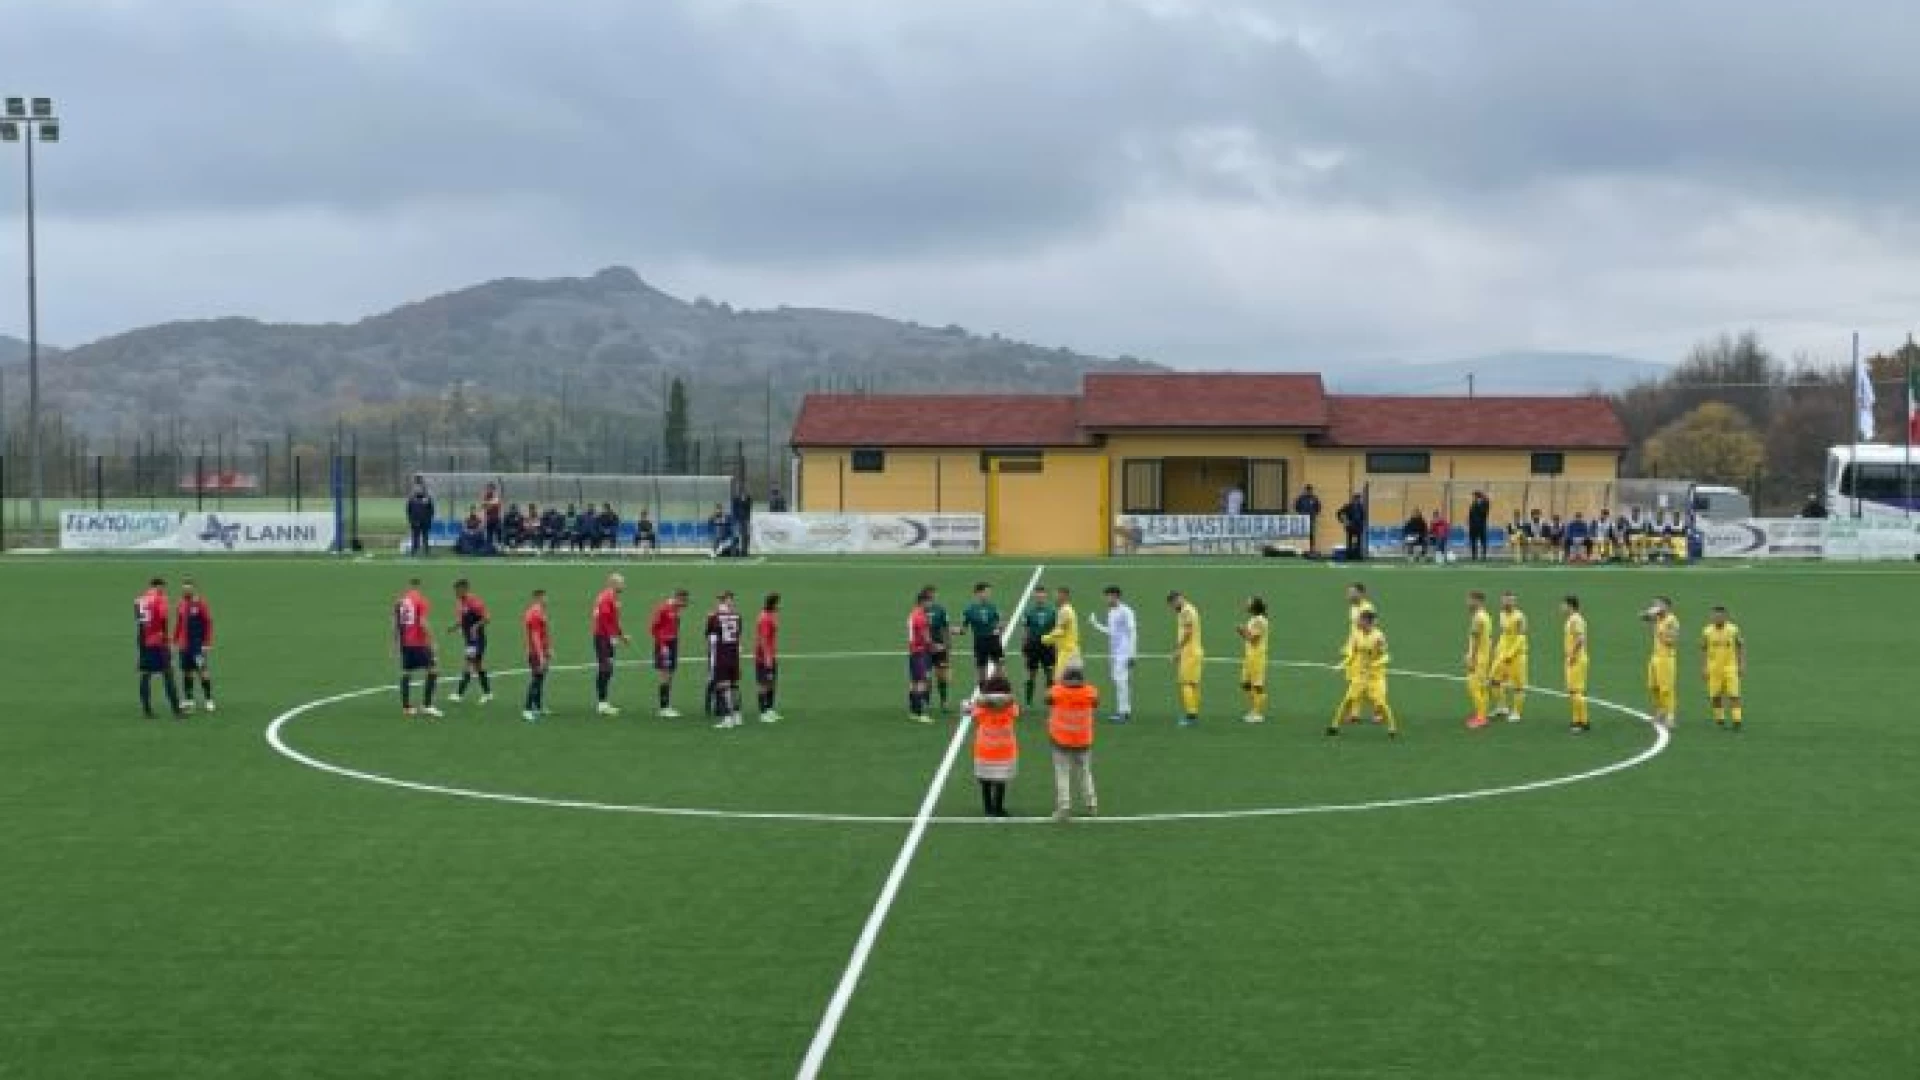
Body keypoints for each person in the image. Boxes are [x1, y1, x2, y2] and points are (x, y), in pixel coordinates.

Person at [1327, 609, 1397, 738]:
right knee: (1348, 700)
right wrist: (1341, 665)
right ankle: (1334, 726)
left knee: (1381, 703)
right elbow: (1352, 655)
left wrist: (1375, 664)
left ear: (1367, 621)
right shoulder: (1356, 634)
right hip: (1360, 675)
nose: (1358, 621)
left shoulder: (1378, 636)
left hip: (1375, 677)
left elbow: (1387, 657)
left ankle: (1392, 728)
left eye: (1360, 619)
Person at [1047, 658, 1100, 822]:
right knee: (1085, 772)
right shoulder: (1090, 691)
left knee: (1062, 773)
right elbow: (1096, 703)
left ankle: (1064, 808)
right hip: (1083, 739)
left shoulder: (1057, 691)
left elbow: (1048, 699)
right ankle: (1091, 804)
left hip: (1061, 739)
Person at [971, 673, 1020, 818]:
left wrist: (984, 700)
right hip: (1004, 749)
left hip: (984, 749)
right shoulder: (1011, 708)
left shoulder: (981, 708)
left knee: (985, 780)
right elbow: (1015, 710)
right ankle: (998, 807)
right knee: (1000, 780)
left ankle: (988, 808)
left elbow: (972, 712)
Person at [136, 577, 184, 719]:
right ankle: (176, 710)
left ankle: (146, 710)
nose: (163, 590)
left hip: (143, 640)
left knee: (145, 674)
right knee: (167, 673)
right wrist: (165, 639)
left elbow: (139, 622)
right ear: (159, 586)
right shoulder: (161, 599)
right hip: (157, 642)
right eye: (162, 587)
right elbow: (163, 620)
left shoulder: (139, 600)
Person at [394, 578, 441, 718]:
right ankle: (427, 705)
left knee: (406, 672)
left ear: (408, 587)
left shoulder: (400, 602)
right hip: (418, 643)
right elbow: (422, 622)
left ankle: (406, 707)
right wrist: (432, 641)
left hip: (405, 643)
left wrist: (395, 643)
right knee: (433, 670)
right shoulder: (421, 600)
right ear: (419, 586)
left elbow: (396, 624)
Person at [1090, 586, 1137, 724]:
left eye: (1109, 596)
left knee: (1121, 681)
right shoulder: (1111, 612)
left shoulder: (1126, 611)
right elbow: (1111, 632)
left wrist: (1132, 654)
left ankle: (1123, 713)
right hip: (1114, 652)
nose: (1106, 599)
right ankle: (1124, 711)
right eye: (1106, 596)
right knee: (1118, 681)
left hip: (1124, 652)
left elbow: (1133, 632)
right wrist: (1095, 624)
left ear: (1116, 596)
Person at [591, 574, 632, 717]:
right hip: (603, 638)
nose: (624, 585)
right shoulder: (607, 598)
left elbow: (613, 620)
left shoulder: (611, 597)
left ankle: (603, 702)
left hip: (606, 637)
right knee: (605, 668)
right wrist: (613, 637)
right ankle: (602, 704)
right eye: (622, 583)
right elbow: (604, 620)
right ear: (613, 584)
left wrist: (621, 635)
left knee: (608, 669)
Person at [446, 578, 492, 705]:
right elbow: (462, 620)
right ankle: (487, 693)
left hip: (477, 640)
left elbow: (487, 618)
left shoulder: (474, 601)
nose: (455, 592)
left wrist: (476, 626)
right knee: (478, 666)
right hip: (469, 640)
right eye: (455, 590)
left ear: (465, 589)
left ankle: (459, 694)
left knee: (468, 664)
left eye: (457, 590)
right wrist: (453, 627)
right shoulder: (460, 602)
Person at [174, 577, 215, 714]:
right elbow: (179, 623)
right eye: (184, 588)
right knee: (187, 671)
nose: (186, 590)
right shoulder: (180, 603)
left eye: (189, 588)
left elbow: (208, 622)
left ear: (194, 589)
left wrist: (207, 643)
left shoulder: (200, 604)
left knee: (202, 671)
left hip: (197, 646)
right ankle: (189, 699)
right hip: (184, 646)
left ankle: (208, 699)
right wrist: (175, 640)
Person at [1702, 605, 1746, 731]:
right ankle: (1720, 719)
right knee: (1715, 696)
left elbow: (1740, 646)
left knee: (1734, 695)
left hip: (1730, 667)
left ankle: (1737, 721)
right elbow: (1703, 648)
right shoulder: (1707, 631)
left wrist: (1741, 664)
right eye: (1714, 615)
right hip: (1714, 668)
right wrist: (1704, 667)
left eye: (1720, 616)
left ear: (1725, 617)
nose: (1717, 618)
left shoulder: (1733, 629)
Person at [1340, 583, 1379, 725]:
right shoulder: (1353, 608)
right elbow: (1353, 629)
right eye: (1348, 592)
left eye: (1351, 592)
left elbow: (1373, 628)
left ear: (1361, 594)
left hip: (1364, 650)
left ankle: (1378, 711)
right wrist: (1348, 646)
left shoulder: (1367, 608)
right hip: (1353, 649)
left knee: (1369, 683)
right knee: (1352, 681)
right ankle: (1355, 714)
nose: (1348, 595)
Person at [707, 591, 746, 729]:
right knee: (734, 685)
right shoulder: (738, 616)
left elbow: (710, 636)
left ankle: (727, 718)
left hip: (722, 654)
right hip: (734, 654)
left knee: (723, 686)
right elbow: (739, 635)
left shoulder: (714, 617)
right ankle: (738, 715)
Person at [650, 587, 689, 717]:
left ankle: (667, 705)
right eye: (684, 601)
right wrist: (662, 645)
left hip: (672, 643)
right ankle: (663, 708)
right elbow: (653, 628)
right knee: (665, 675)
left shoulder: (676, 609)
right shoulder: (663, 608)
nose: (685, 604)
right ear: (678, 598)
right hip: (664, 644)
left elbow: (674, 626)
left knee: (670, 674)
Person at [1641, 596, 1680, 729]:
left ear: (1667, 606)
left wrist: (1659, 632)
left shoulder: (1672, 620)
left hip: (1666, 658)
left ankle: (1670, 716)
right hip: (1655, 656)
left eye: (1658, 604)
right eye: (1654, 604)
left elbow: (1672, 641)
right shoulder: (1658, 619)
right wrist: (1649, 616)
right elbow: (1642, 617)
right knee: (1653, 686)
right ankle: (1660, 710)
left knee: (1666, 689)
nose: (1656, 606)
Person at [1492, 591, 1529, 722]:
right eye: (1504, 600)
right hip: (1502, 654)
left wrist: (1511, 654)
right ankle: (1502, 707)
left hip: (1517, 656)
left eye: (1509, 600)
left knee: (1518, 686)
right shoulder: (1502, 614)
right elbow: (1503, 633)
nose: (1506, 603)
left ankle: (1516, 713)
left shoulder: (1520, 617)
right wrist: (1497, 648)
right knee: (1494, 680)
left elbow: (1521, 637)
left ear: (1514, 602)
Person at [1168, 590, 1203, 727]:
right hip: (1194, 651)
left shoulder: (1186, 612)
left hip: (1189, 652)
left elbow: (1188, 632)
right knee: (1193, 684)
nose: (1172, 607)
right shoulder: (1189, 608)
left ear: (1178, 599)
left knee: (1186, 683)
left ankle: (1191, 716)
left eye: (1172, 603)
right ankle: (1193, 712)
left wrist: (1178, 650)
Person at [960, 581, 1005, 687]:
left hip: (993, 640)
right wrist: (953, 631)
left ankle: (999, 689)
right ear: (978, 593)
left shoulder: (993, 607)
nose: (988, 594)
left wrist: (1000, 628)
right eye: (986, 592)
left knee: (1000, 665)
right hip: (980, 641)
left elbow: (1001, 623)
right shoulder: (969, 610)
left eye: (989, 592)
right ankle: (983, 694)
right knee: (981, 669)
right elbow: (964, 629)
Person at [1020, 584, 1057, 707]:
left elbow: (1056, 629)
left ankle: (1050, 700)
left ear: (1045, 596)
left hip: (1048, 646)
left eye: (1042, 594)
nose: (1040, 596)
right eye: (1037, 594)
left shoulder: (1052, 612)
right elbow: (1025, 630)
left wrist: (1055, 645)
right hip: (1033, 646)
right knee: (1031, 674)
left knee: (1050, 674)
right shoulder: (1028, 612)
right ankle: (1028, 701)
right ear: (1034, 596)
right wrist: (1024, 646)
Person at [1237, 597, 1270, 724]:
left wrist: (1242, 631)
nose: (1246, 604)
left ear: (1254, 607)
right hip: (1250, 655)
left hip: (1257, 656)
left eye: (1249, 603)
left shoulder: (1259, 621)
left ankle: (1257, 713)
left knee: (1256, 685)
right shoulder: (1254, 619)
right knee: (1245, 683)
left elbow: (1253, 640)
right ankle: (1259, 700)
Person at [1464, 591, 1493, 729]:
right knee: (1481, 687)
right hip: (1484, 656)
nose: (1467, 603)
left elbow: (1475, 639)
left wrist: (1471, 658)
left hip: (1479, 658)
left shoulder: (1478, 618)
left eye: (1470, 600)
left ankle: (1481, 718)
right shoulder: (1486, 616)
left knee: (1473, 686)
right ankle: (1482, 714)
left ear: (1478, 601)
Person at [522, 589, 552, 722]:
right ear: (538, 598)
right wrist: (541, 656)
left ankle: (538, 707)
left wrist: (548, 649)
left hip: (541, 651)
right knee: (536, 679)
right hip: (536, 652)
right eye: (545, 597)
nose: (547, 600)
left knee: (540, 679)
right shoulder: (535, 613)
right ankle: (527, 709)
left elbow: (543, 633)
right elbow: (535, 637)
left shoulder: (539, 612)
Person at [907, 589, 936, 723]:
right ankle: (920, 713)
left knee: (914, 681)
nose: (932, 604)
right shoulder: (921, 617)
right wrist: (934, 647)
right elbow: (926, 638)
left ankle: (913, 711)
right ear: (923, 601)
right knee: (922, 682)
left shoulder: (913, 614)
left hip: (913, 652)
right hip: (920, 652)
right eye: (930, 601)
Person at [924, 585, 954, 711]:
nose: (933, 596)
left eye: (934, 593)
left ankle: (944, 702)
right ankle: (926, 702)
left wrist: (948, 645)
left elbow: (946, 628)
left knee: (942, 675)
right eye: (931, 593)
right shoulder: (919, 611)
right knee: (926, 677)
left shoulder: (941, 610)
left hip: (940, 648)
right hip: (925, 649)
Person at [1564, 595, 1590, 734]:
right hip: (1573, 658)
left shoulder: (1576, 619)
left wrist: (1573, 655)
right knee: (1572, 691)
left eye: (1563, 605)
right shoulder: (1571, 619)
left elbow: (1580, 638)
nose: (1561, 607)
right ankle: (1576, 720)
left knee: (1577, 691)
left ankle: (1583, 722)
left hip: (1577, 659)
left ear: (1570, 606)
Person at [755, 593, 782, 723]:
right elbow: (763, 640)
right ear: (773, 603)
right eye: (778, 603)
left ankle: (770, 709)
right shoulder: (765, 618)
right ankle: (763, 712)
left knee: (771, 683)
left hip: (771, 655)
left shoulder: (771, 615)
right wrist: (767, 658)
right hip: (764, 657)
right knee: (764, 684)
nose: (780, 605)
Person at [1041, 585, 1080, 670]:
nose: (1055, 598)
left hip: (1067, 652)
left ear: (1063, 596)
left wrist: (1046, 638)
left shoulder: (1064, 611)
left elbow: (1060, 631)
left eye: (1057, 596)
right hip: (1071, 650)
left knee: (1060, 679)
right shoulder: (1067, 609)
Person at [405, 477, 434, 557]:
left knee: (425, 536)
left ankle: (426, 552)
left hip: (425, 521)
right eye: (417, 487)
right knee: (415, 537)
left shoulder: (428, 498)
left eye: (420, 487)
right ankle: (414, 551)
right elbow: (408, 510)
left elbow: (431, 510)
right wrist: (411, 520)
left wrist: (429, 519)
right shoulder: (412, 498)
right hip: (415, 521)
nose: (418, 489)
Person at [1336, 492, 1367, 561]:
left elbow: (1363, 516)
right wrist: (1342, 521)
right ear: (1353, 499)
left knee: (1359, 542)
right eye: (1356, 499)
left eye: (1358, 499)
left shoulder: (1361, 507)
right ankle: (1349, 555)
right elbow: (1339, 512)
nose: (1357, 500)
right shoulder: (1348, 506)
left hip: (1358, 526)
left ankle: (1358, 556)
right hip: (1350, 526)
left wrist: (1362, 523)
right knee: (1349, 541)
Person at [1293, 485, 1322, 553]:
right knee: (1303, 534)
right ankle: (1303, 549)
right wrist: (1301, 514)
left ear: (1311, 491)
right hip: (1302, 519)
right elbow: (1297, 507)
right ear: (1305, 490)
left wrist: (1314, 514)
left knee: (1311, 534)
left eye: (1310, 490)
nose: (1308, 492)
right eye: (1307, 490)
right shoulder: (1301, 498)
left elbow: (1318, 508)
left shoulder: (1314, 498)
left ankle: (1311, 549)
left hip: (1311, 519)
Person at [1466, 490, 1492, 561]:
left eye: (1474, 496)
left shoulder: (1484, 503)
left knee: (1483, 542)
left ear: (1477, 497)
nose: (1473, 498)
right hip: (1473, 526)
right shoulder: (1473, 504)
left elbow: (1484, 512)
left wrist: (1483, 499)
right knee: (1473, 542)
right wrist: (1468, 521)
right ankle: (1474, 557)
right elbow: (1471, 514)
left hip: (1481, 526)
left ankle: (1483, 556)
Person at [731, 485, 754, 558]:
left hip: (745, 519)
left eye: (745, 492)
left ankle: (745, 551)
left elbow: (749, 507)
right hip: (737, 519)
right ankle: (734, 551)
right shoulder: (736, 499)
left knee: (746, 536)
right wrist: (735, 519)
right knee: (736, 536)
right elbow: (734, 510)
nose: (744, 493)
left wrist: (746, 499)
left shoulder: (748, 499)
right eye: (742, 492)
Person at [481, 481, 504, 551]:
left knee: (498, 533)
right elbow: (484, 506)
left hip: (496, 519)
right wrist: (490, 503)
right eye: (488, 488)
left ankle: (500, 548)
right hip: (489, 519)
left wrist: (491, 503)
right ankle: (489, 548)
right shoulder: (486, 496)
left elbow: (496, 503)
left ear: (493, 489)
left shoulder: (496, 496)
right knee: (489, 535)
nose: (488, 490)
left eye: (490, 488)